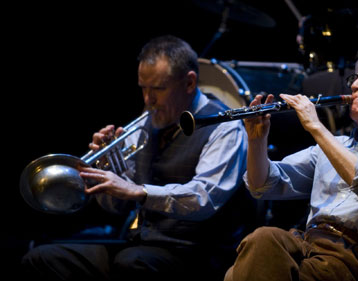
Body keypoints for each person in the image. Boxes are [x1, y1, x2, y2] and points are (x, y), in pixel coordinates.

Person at [21, 35, 249, 281]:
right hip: (140, 245)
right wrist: (107, 173)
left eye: (159, 89)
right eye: (143, 88)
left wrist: (138, 191)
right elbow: (118, 207)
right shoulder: (148, 120)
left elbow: (203, 198)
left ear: (189, 83)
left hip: (196, 252)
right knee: (42, 258)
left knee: (131, 263)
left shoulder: (224, 127)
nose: (148, 99)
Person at [224, 50, 358, 281]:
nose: (354, 87)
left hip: (357, 260)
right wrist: (257, 139)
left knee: (240, 272)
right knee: (262, 239)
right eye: (355, 79)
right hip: (308, 245)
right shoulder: (337, 145)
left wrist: (316, 126)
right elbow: (262, 185)